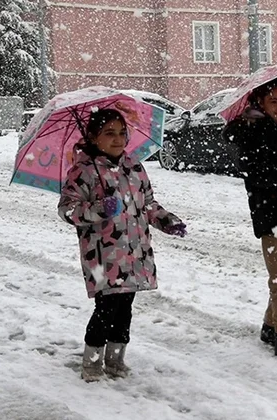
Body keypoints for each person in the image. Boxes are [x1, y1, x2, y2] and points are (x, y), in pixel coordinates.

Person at [58, 109, 186, 381]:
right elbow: (68, 210)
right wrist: (98, 209)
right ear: (92, 137)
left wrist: (167, 221)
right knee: (105, 309)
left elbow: (148, 204)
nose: (118, 139)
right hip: (101, 256)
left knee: (125, 308)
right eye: (108, 133)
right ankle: (92, 362)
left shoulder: (135, 167)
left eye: (121, 132)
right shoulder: (83, 171)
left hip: (135, 251)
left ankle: (115, 360)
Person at [223, 77, 277, 359]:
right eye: (274, 101)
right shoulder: (251, 132)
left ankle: (269, 325)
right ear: (260, 101)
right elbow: (258, 176)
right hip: (269, 212)